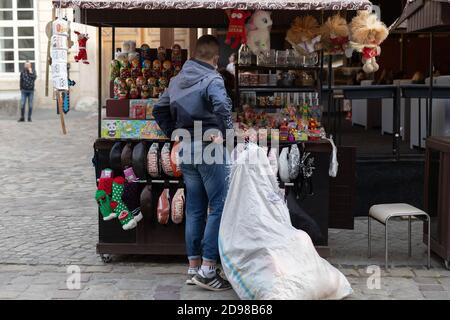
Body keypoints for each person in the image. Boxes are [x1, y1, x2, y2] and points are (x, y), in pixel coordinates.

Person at [153, 35, 233, 291]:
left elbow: (158, 109)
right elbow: (222, 106)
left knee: (195, 208)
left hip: (185, 149)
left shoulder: (176, 81)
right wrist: (227, 134)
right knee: (218, 206)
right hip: (209, 147)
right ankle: (208, 270)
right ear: (215, 58)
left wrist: (174, 134)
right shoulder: (213, 78)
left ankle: (193, 267)